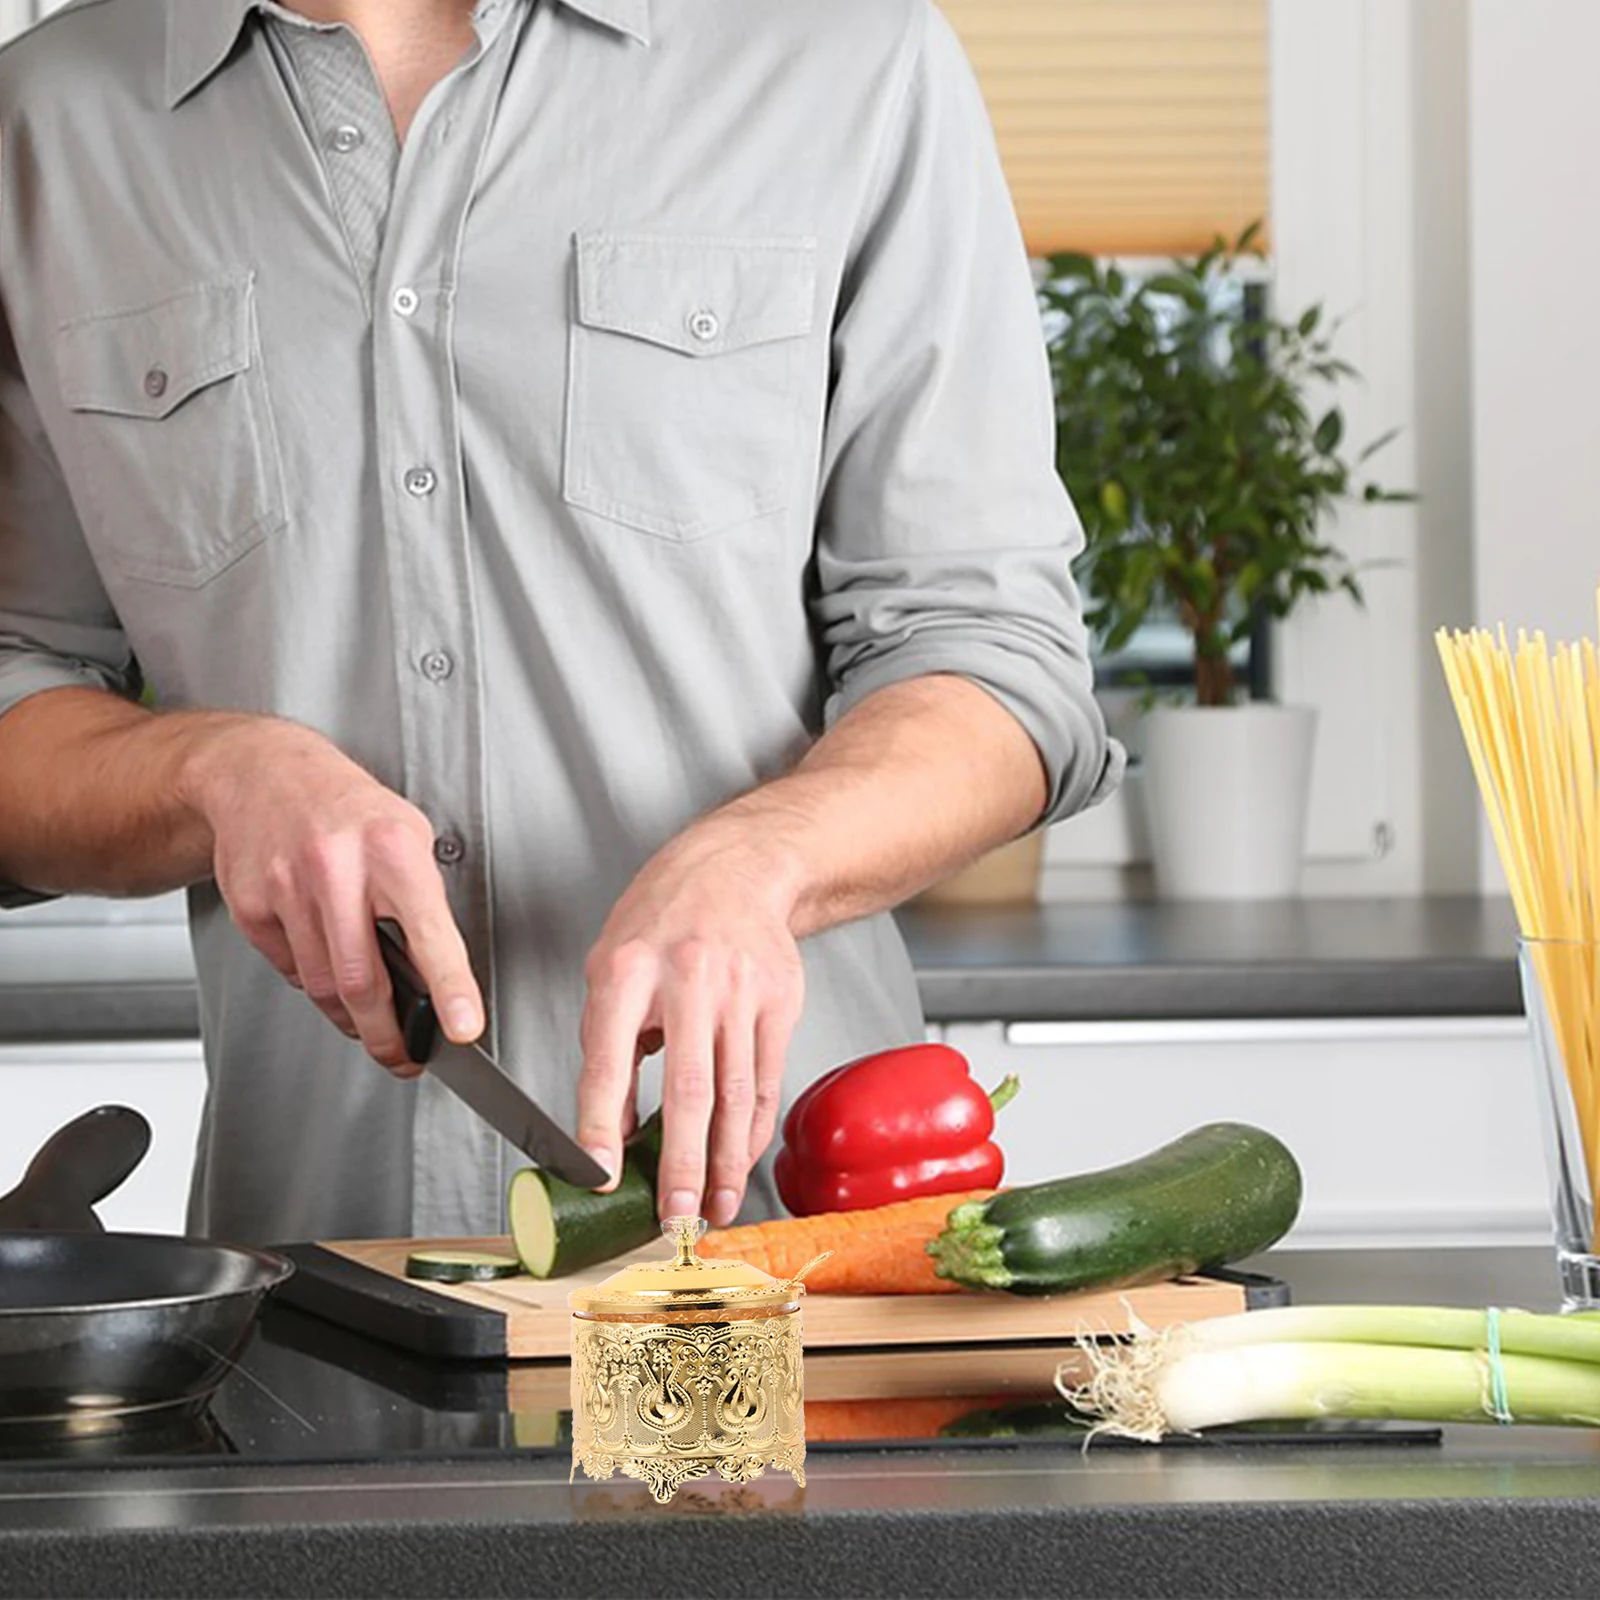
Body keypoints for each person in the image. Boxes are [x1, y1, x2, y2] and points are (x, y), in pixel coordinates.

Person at [0, 0, 1121, 1244]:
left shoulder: (847, 59)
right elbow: (15, 688)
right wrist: (214, 773)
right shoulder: (45, 122)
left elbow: (993, 661)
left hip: (794, 1260)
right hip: (314, 1274)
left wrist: (767, 857)